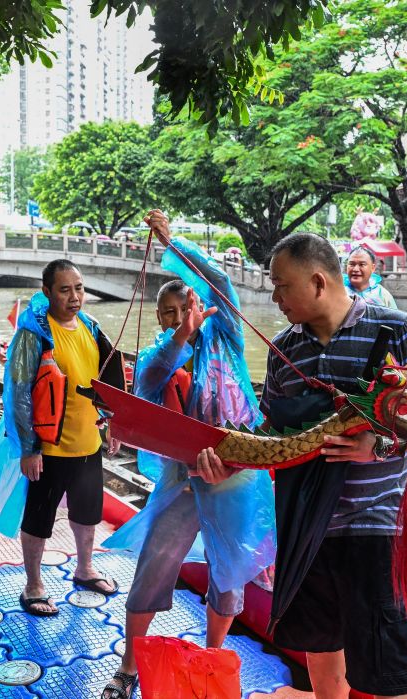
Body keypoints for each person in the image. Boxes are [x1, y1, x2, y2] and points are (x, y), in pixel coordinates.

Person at [195, 233, 407, 699]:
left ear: (316, 282)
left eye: (281, 286)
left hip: (375, 526)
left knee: (388, 668)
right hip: (307, 525)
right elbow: (274, 434)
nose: (275, 297)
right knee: (321, 647)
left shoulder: (396, 331)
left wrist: (380, 445)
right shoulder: (283, 351)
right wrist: (230, 463)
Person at [100, 211, 275, 699]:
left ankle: (211, 656)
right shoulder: (159, 354)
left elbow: (219, 278)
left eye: (183, 308)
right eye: (167, 314)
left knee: (229, 572)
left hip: (235, 474)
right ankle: (129, 668)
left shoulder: (227, 335)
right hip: (182, 477)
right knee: (154, 566)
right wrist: (180, 335)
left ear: (197, 301)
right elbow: (149, 384)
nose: (176, 318)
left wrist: (172, 242)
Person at [0, 259, 126, 617]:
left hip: (88, 442)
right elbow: (19, 393)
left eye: (79, 288)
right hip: (50, 447)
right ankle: (34, 585)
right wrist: (30, 448)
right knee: (39, 518)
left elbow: (109, 385)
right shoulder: (34, 334)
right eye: (65, 290)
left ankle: (85, 569)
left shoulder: (91, 326)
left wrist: (115, 425)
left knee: (87, 513)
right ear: (47, 292)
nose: (75, 297)